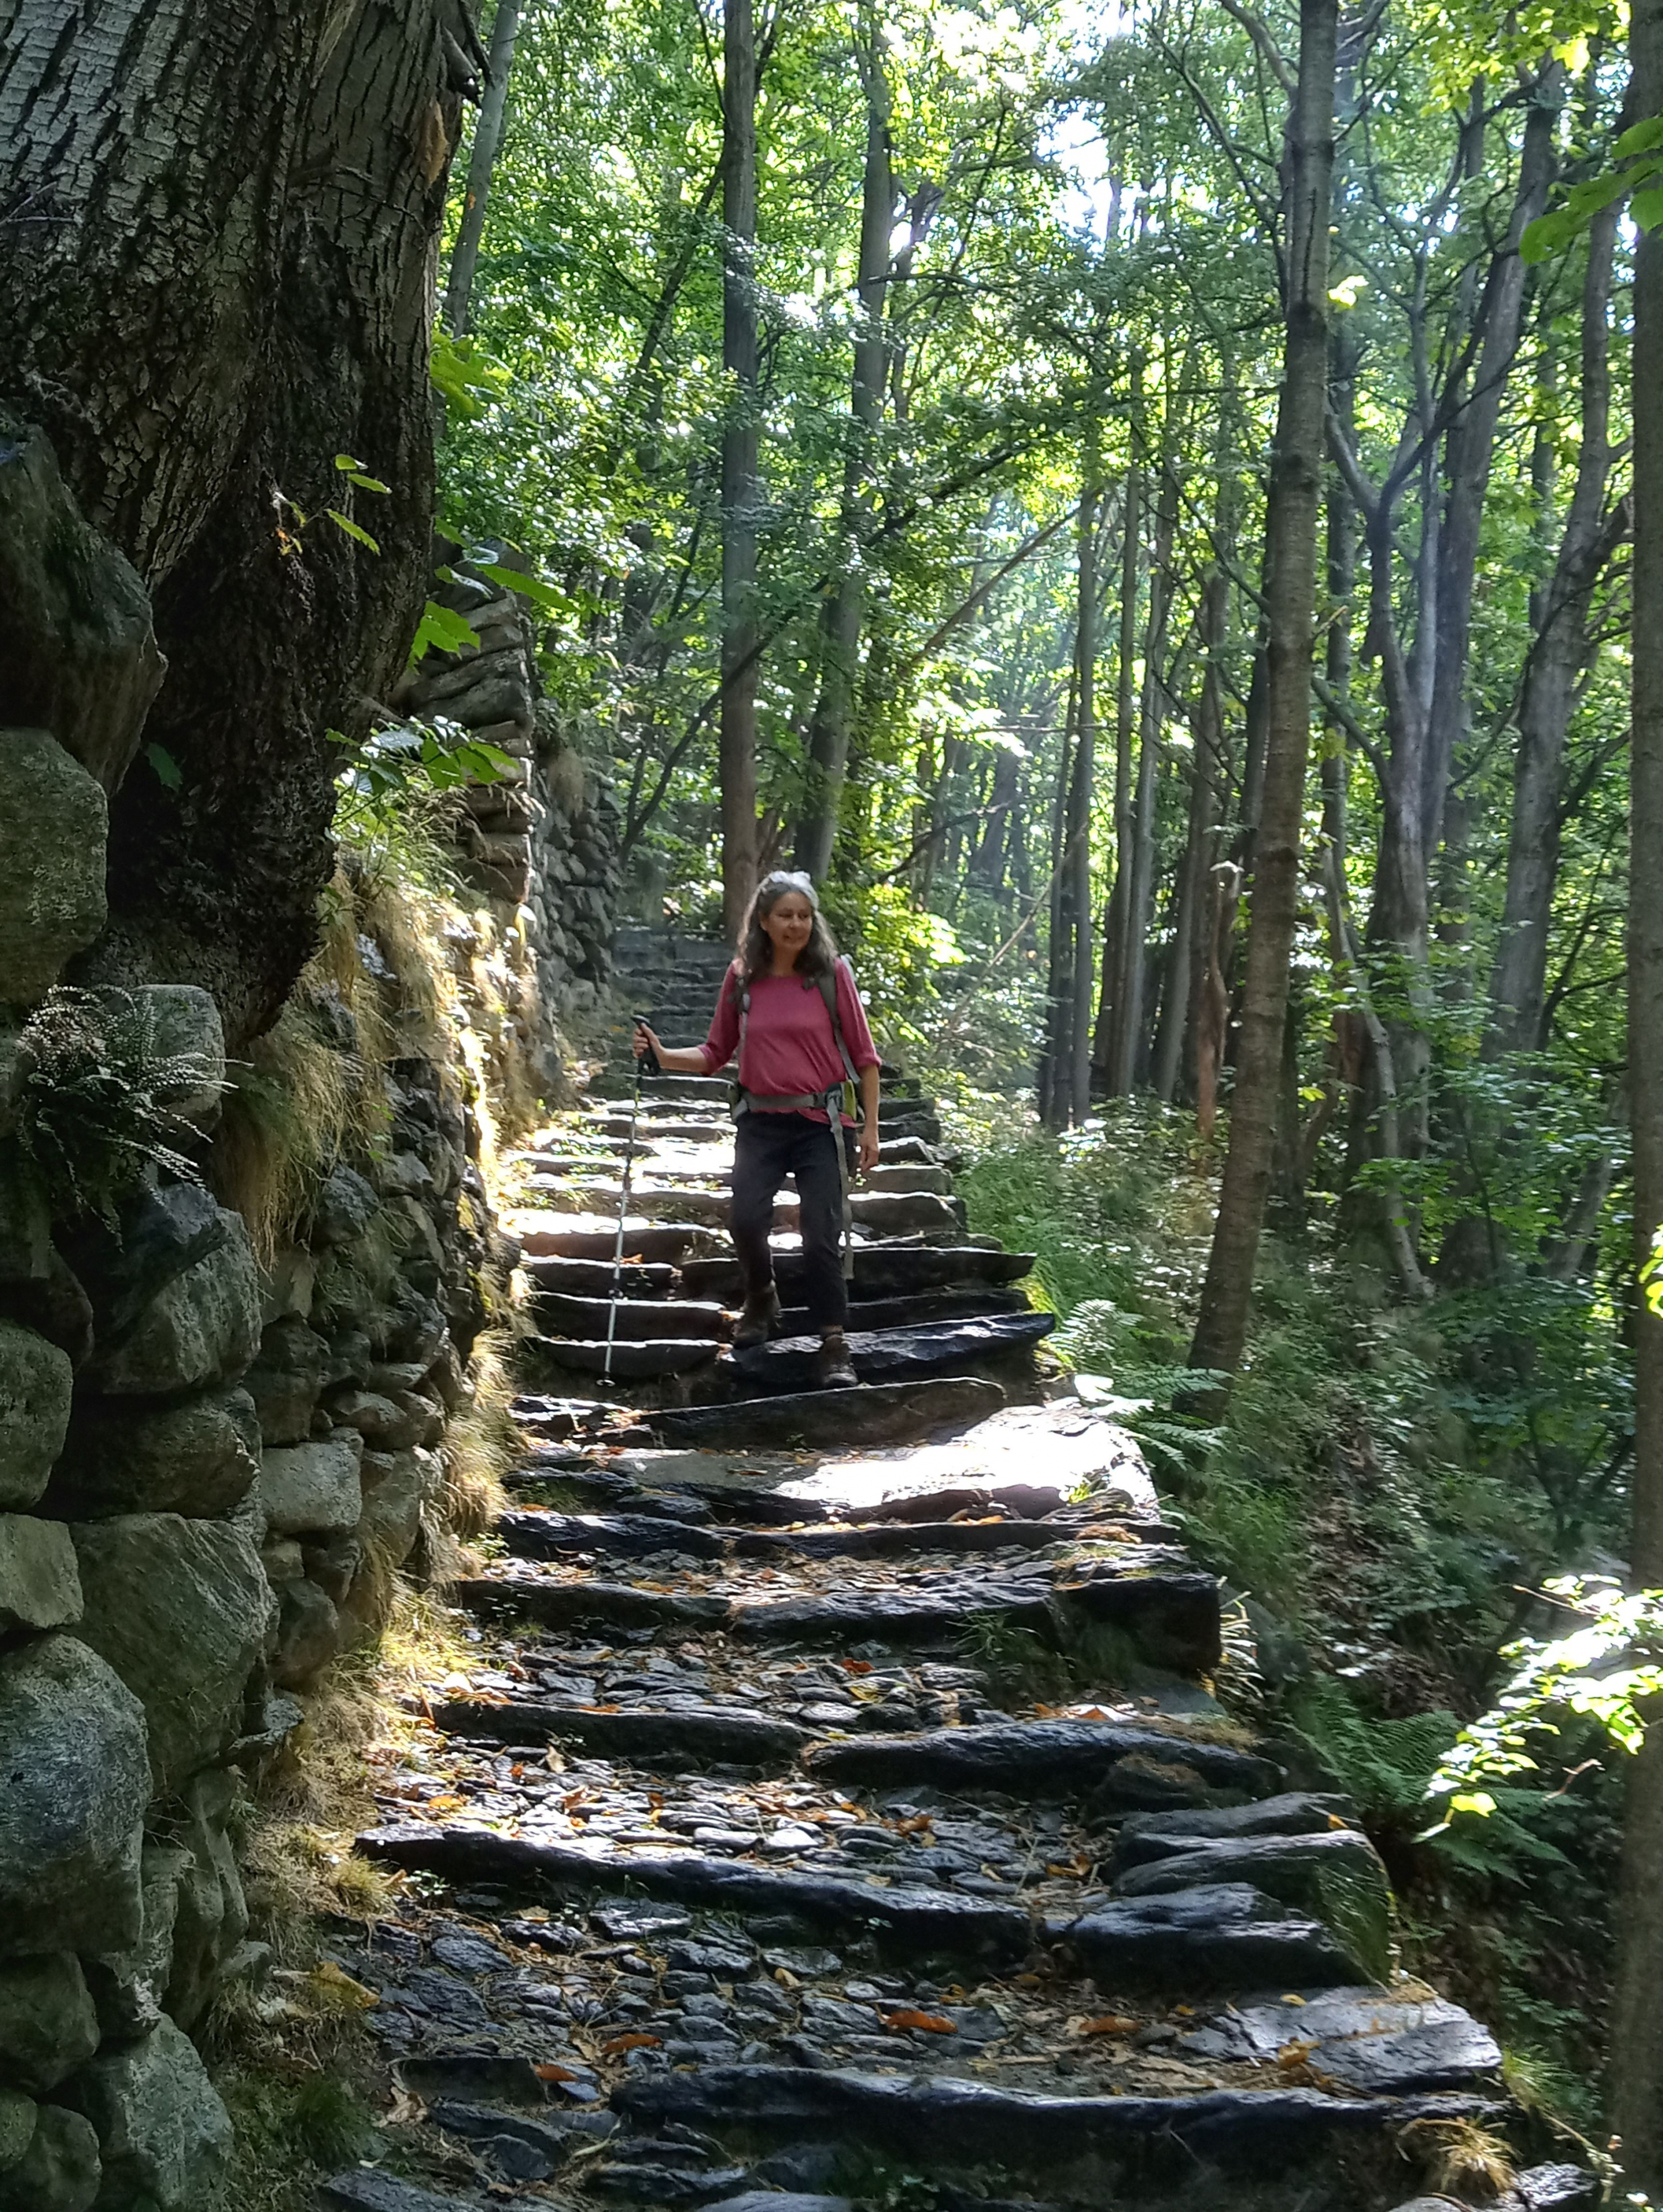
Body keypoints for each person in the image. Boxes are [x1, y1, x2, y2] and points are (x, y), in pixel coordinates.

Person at [634, 872, 881, 1390]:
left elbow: (865, 1057)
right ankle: (762, 1297)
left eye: (804, 916)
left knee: (820, 1234)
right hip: (760, 1123)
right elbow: (714, 1052)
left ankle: (834, 1343)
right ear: (764, 921)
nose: (796, 925)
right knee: (746, 1220)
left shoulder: (832, 975)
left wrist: (870, 1129)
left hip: (821, 1124)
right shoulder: (743, 978)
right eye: (785, 915)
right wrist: (662, 1056)